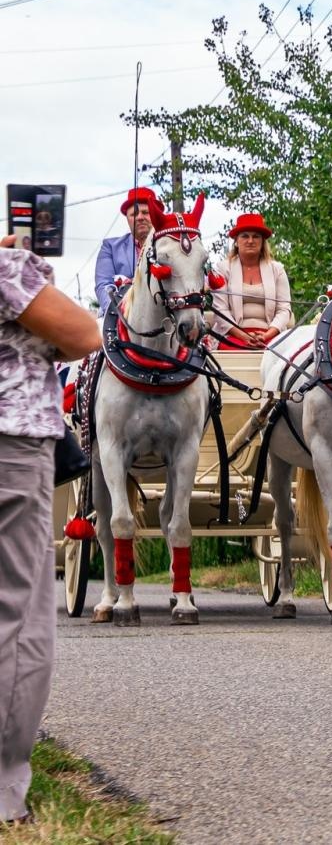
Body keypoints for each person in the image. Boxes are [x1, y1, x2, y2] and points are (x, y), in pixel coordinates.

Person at [0, 232, 101, 824]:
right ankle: (5, 787)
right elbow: (85, 334)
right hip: (12, 445)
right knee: (20, 608)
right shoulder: (9, 268)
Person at [215, 214, 291, 349]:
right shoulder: (223, 269)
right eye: (245, 236)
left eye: (256, 236)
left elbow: (284, 309)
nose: (250, 241)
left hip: (270, 335)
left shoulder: (277, 269)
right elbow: (220, 310)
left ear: (262, 242)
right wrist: (244, 336)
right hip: (233, 334)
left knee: (279, 353)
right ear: (236, 242)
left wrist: (267, 335)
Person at [93, 187, 163, 313]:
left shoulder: (170, 245)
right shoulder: (110, 247)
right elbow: (103, 285)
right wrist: (119, 314)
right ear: (127, 219)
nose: (140, 217)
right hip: (119, 318)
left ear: (156, 215)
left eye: (145, 212)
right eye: (134, 214)